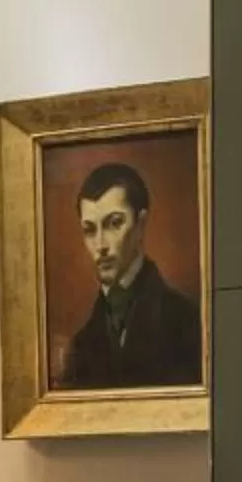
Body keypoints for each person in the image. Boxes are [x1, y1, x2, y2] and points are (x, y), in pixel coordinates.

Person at [57, 160, 203, 391]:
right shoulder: (81, 344)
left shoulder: (186, 322)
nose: (100, 245)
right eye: (89, 230)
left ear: (141, 224)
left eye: (114, 224)